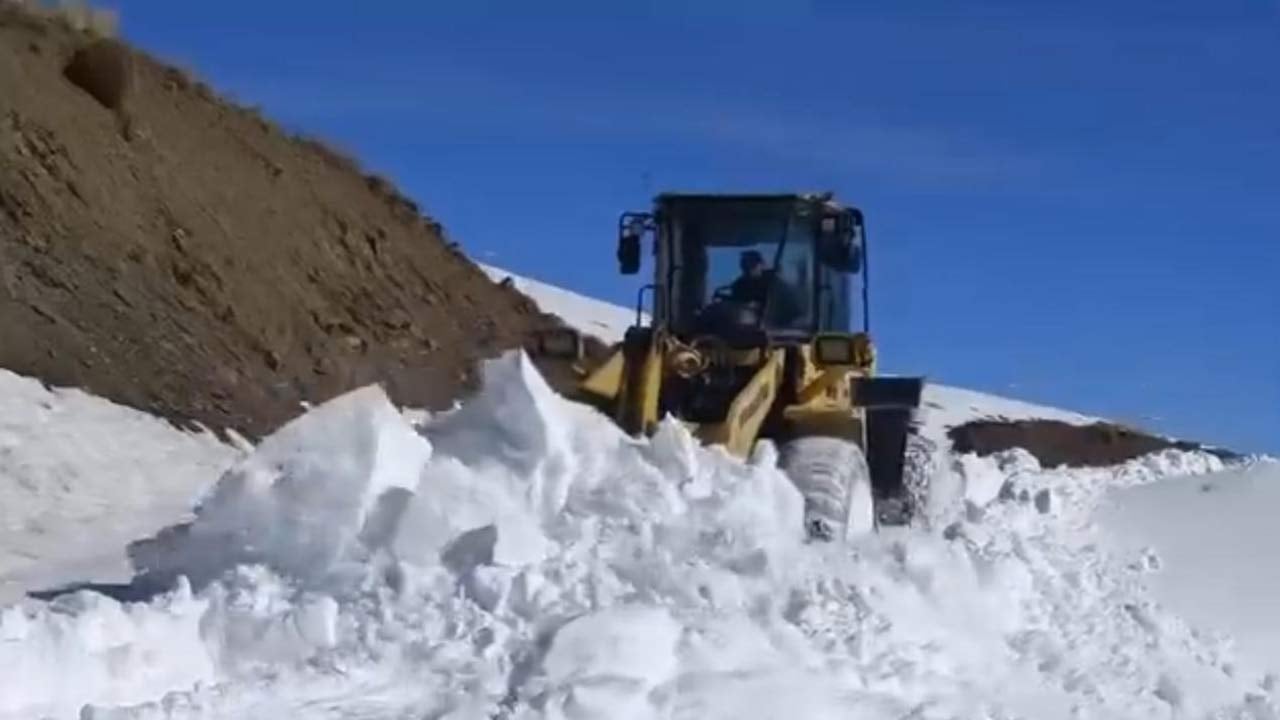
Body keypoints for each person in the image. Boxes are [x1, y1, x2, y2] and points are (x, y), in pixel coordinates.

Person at [727, 249, 802, 326]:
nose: (749, 270)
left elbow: (794, 311)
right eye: (745, 267)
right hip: (746, 327)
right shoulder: (739, 286)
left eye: (752, 265)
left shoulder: (775, 284)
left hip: (777, 327)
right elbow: (734, 309)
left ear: (761, 265)